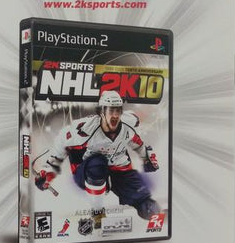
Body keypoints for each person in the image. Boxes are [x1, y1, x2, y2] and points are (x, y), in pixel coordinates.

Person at [35, 90, 160, 219]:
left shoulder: (128, 124)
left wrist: (147, 157)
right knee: (97, 165)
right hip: (88, 171)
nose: (115, 115)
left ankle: (152, 213)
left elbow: (137, 143)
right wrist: (48, 173)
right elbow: (61, 143)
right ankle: (97, 212)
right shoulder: (84, 129)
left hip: (119, 169)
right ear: (102, 112)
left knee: (147, 204)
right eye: (111, 110)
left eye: (118, 110)